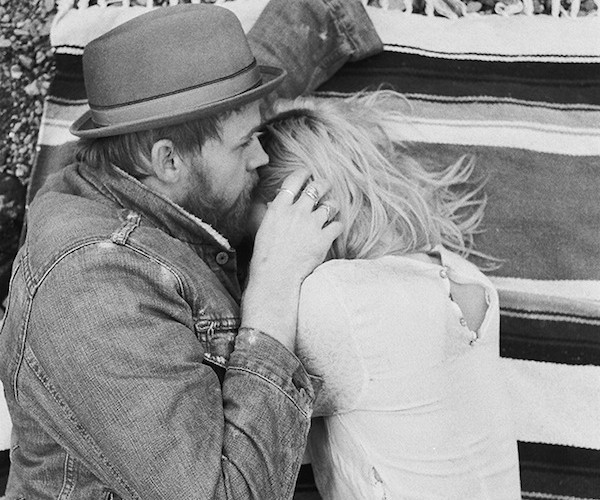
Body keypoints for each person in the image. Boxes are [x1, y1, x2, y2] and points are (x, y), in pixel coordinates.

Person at [0, 2, 385, 497]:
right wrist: (272, 288)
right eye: (246, 142)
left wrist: (324, 15)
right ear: (167, 161)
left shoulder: (142, 171)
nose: (262, 155)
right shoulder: (92, 286)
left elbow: (226, 107)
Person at [252, 91, 522, 499]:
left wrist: (268, 271)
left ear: (299, 203)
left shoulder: (336, 298)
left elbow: (253, 398)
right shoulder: (463, 275)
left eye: (251, 239)